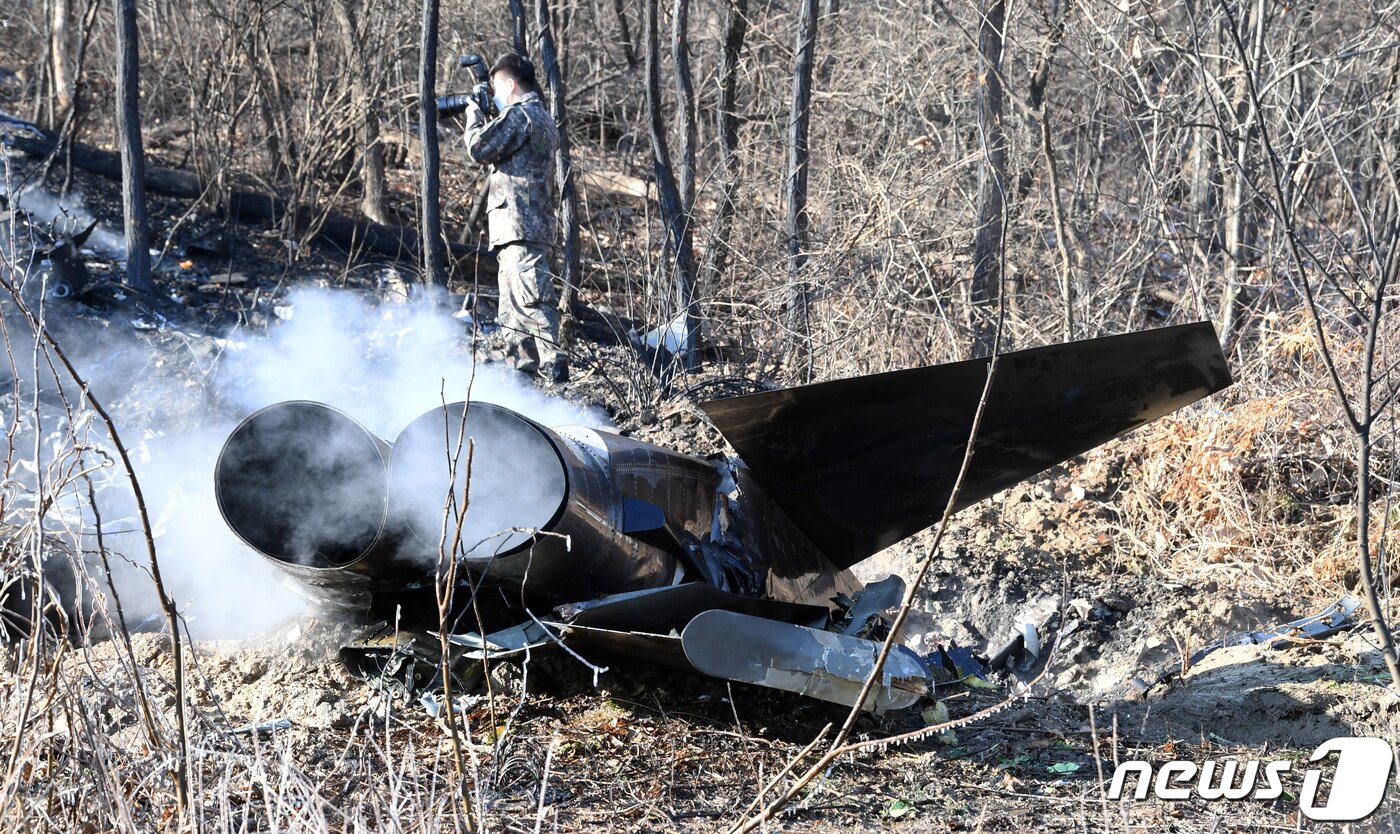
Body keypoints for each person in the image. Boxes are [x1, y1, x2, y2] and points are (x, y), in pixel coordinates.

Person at [462, 53, 568, 384]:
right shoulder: (534, 117)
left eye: (496, 88)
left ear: (510, 85)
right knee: (513, 315)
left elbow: (479, 147)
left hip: (522, 226)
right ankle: (523, 381)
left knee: (533, 304)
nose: (494, 95)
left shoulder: (523, 116)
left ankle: (556, 376)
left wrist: (473, 115)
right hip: (520, 227)